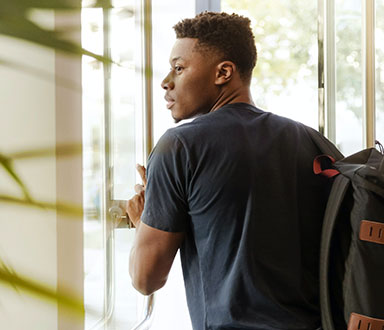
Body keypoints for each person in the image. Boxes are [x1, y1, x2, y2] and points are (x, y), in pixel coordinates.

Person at [126, 12, 328, 330]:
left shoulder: (180, 145)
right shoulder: (310, 141)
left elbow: (145, 278)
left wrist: (142, 220)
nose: (166, 81)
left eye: (179, 68)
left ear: (223, 72)